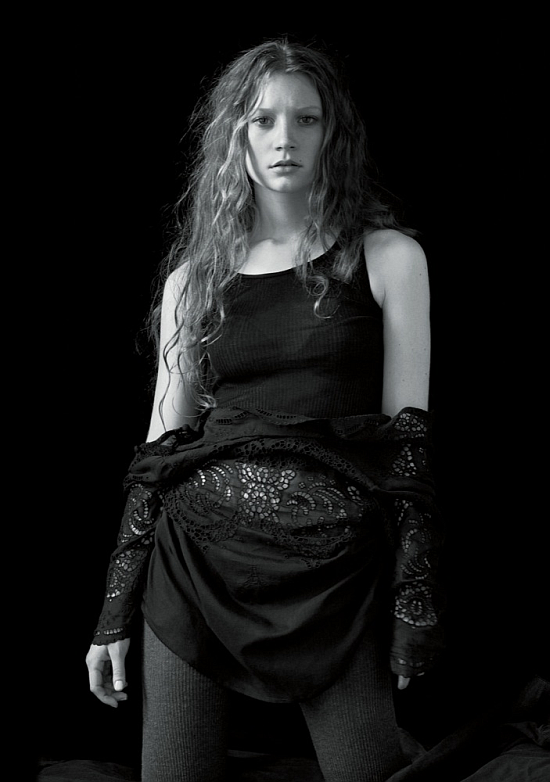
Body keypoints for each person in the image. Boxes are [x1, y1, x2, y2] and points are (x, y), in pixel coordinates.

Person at [86, 38, 445, 782]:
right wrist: (113, 611)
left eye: (306, 119)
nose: (285, 139)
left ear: (332, 131)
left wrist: (413, 597)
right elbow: (159, 451)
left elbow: (407, 449)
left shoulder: (387, 258)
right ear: (235, 135)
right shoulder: (194, 280)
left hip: (334, 578)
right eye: (263, 120)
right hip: (194, 567)